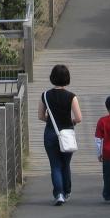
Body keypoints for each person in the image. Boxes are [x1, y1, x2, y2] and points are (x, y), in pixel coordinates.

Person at [38, 64, 82, 206]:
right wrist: (72, 122)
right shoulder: (71, 96)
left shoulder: (45, 95)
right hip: (67, 133)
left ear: (52, 77)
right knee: (65, 164)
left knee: (55, 165)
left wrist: (51, 120)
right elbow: (79, 118)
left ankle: (59, 194)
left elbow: (40, 116)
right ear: (67, 78)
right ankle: (67, 191)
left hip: (51, 132)